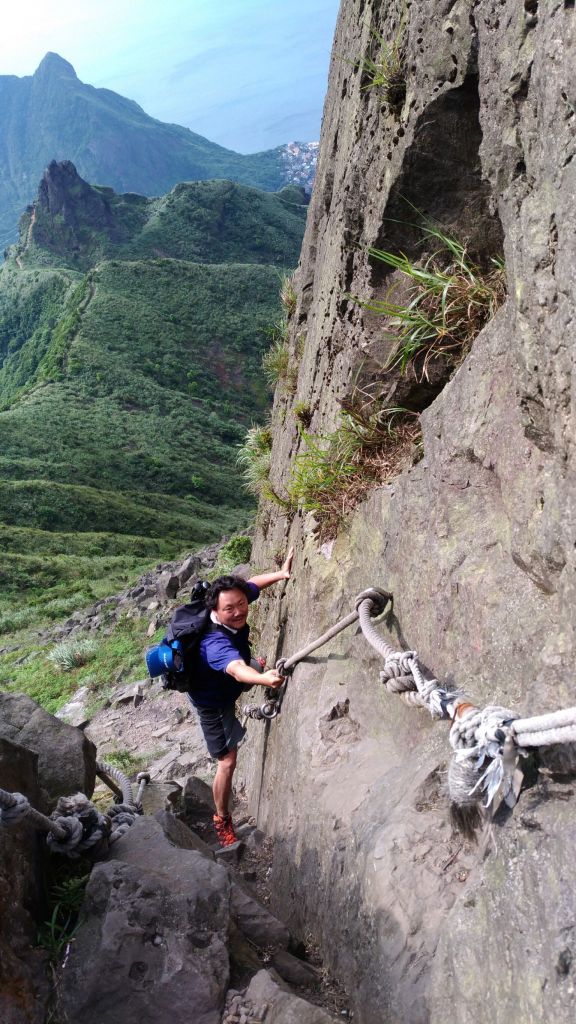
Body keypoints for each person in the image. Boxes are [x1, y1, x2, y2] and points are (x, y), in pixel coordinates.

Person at [187, 547, 293, 847]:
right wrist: (261, 677)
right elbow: (234, 669)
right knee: (227, 761)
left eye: (241, 604)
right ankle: (221, 819)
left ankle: (256, 668)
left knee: (250, 667)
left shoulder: (235, 599)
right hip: (213, 701)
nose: (239, 611)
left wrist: (282, 573)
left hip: (231, 681)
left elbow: (253, 584)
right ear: (216, 611)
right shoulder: (213, 642)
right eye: (230, 609)